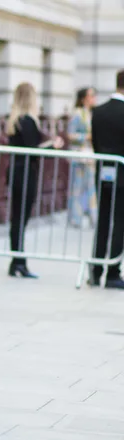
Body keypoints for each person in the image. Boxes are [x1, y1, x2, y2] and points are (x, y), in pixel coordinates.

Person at [5, 82, 64, 279]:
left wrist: (46, 145)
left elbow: (28, 146)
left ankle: (17, 262)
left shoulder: (15, 121)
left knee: (18, 218)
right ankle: (19, 262)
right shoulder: (28, 120)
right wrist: (53, 146)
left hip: (17, 171)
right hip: (25, 173)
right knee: (21, 218)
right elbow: (33, 150)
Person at [90, 70, 124, 289]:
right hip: (122, 177)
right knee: (119, 224)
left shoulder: (99, 111)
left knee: (102, 222)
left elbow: (96, 145)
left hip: (103, 174)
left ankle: (96, 270)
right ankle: (112, 272)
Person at [67, 87, 98, 228]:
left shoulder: (92, 113)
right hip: (80, 155)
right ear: (83, 98)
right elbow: (70, 134)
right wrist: (86, 137)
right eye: (91, 96)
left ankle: (94, 217)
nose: (93, 99)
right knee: (77, 187)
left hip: (90, 156)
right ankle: (76, 218)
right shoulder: (77, 114)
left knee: (91, 187)